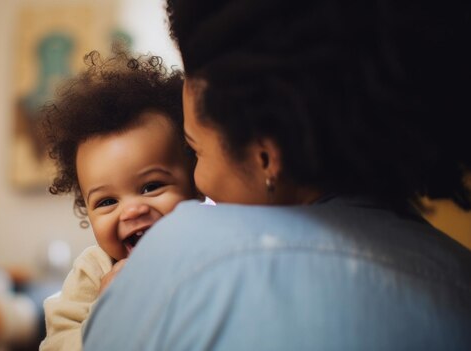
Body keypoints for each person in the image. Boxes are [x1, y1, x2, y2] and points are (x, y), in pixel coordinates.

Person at [83, 0, 471, 349]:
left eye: (195, 152)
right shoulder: (458, 278)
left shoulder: (172, 263)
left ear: (266, 156)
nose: (199, 181)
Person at [38, 50, 198, 351]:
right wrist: (105, 312)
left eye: (151, 186)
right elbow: (56, 345)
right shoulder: (94, 270)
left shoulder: (209, 252)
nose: (132, 209)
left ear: (195, 182)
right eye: (107, 201)